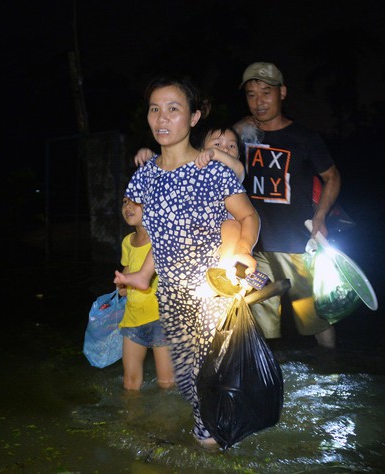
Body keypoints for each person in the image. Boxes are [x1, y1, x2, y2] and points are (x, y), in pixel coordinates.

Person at [123, 76, 260, 448]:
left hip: (213, 292)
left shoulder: (212, 171)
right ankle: (217, 439)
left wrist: (244, 250)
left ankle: (216, 446)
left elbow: (248, 218)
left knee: (206, 382)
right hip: (170, 297)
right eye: (155, 109)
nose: (162, 118)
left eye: (173, 109)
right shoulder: (143, 177)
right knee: (193, 389)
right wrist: (140, 275)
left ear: (194, 117)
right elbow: (156, 233)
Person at [233, 61, 341, 349]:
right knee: (263, 326)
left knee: (315, 319)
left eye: (266, 92)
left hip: (297, 245)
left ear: (282, 92)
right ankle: (273, 380)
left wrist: (320, 217)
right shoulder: (242, 137)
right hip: (255, 247)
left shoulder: (304, 138)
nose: (258, 102)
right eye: (251, 94)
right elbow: (211, 158)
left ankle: (333, 370)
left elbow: (332, 177)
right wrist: (234, 130)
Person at [115, 124, 245, 291]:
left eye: (231, 146)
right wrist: (152, 158)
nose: (225, 149)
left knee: (231, 226)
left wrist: (214, 153)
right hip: (194, 240)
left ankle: (222, 271)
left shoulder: (230, 176)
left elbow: (238, 168)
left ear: (239, 154)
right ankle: (144, 274)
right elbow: (170, 173)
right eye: (217, 144)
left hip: (224, 238)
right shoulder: (194, 177)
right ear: (200, 151)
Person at [115, 196, 175, 391]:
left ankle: (168, 420)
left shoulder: (164, 238)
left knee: (167, 382)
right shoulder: (127, 241)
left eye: (135, 201)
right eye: (124, 202)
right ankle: (132, 420)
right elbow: (127, 268)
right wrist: (122, 285)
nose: (128, 207)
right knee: (130, 383)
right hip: (133, 317)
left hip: (162, 317)